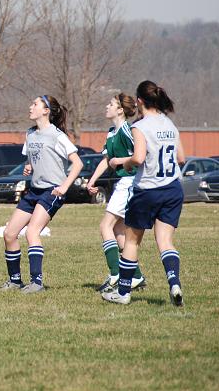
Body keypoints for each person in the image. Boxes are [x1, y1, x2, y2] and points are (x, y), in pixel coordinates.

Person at [102, 81, 186, 306]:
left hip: (148, 190)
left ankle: (123, 293)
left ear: (139, 101)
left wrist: (121, 161)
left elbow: (138, 158)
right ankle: (174, 284)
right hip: (173, 189)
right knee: (165, 241)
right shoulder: (169, 124)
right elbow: (181, 159)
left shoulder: (140, 126)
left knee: (132, 241)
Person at [0, 95, 83, 294]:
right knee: (9, 234)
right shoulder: (30, 134)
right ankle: (15, 281)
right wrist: (29, 166)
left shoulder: (57, 135)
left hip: (52, 190)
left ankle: (37, 283)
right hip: (34, 190)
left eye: (35, 104)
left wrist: (64, 187)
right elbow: (33, 158)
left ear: (46, 111)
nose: (31, 107)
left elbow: (78, 163)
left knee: (31, 232)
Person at [85, 94, 146, 293]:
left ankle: (115, 274)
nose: (106, 106)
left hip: (130, 182)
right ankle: (136, 276)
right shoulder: (112, 132)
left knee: (105, 226)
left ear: (120, 110)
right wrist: (92, 180)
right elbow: (106, 160)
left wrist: (119, 162)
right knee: (120, 231)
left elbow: (140, 155)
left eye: (110, 104)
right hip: (123, 182)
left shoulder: (129, 130)